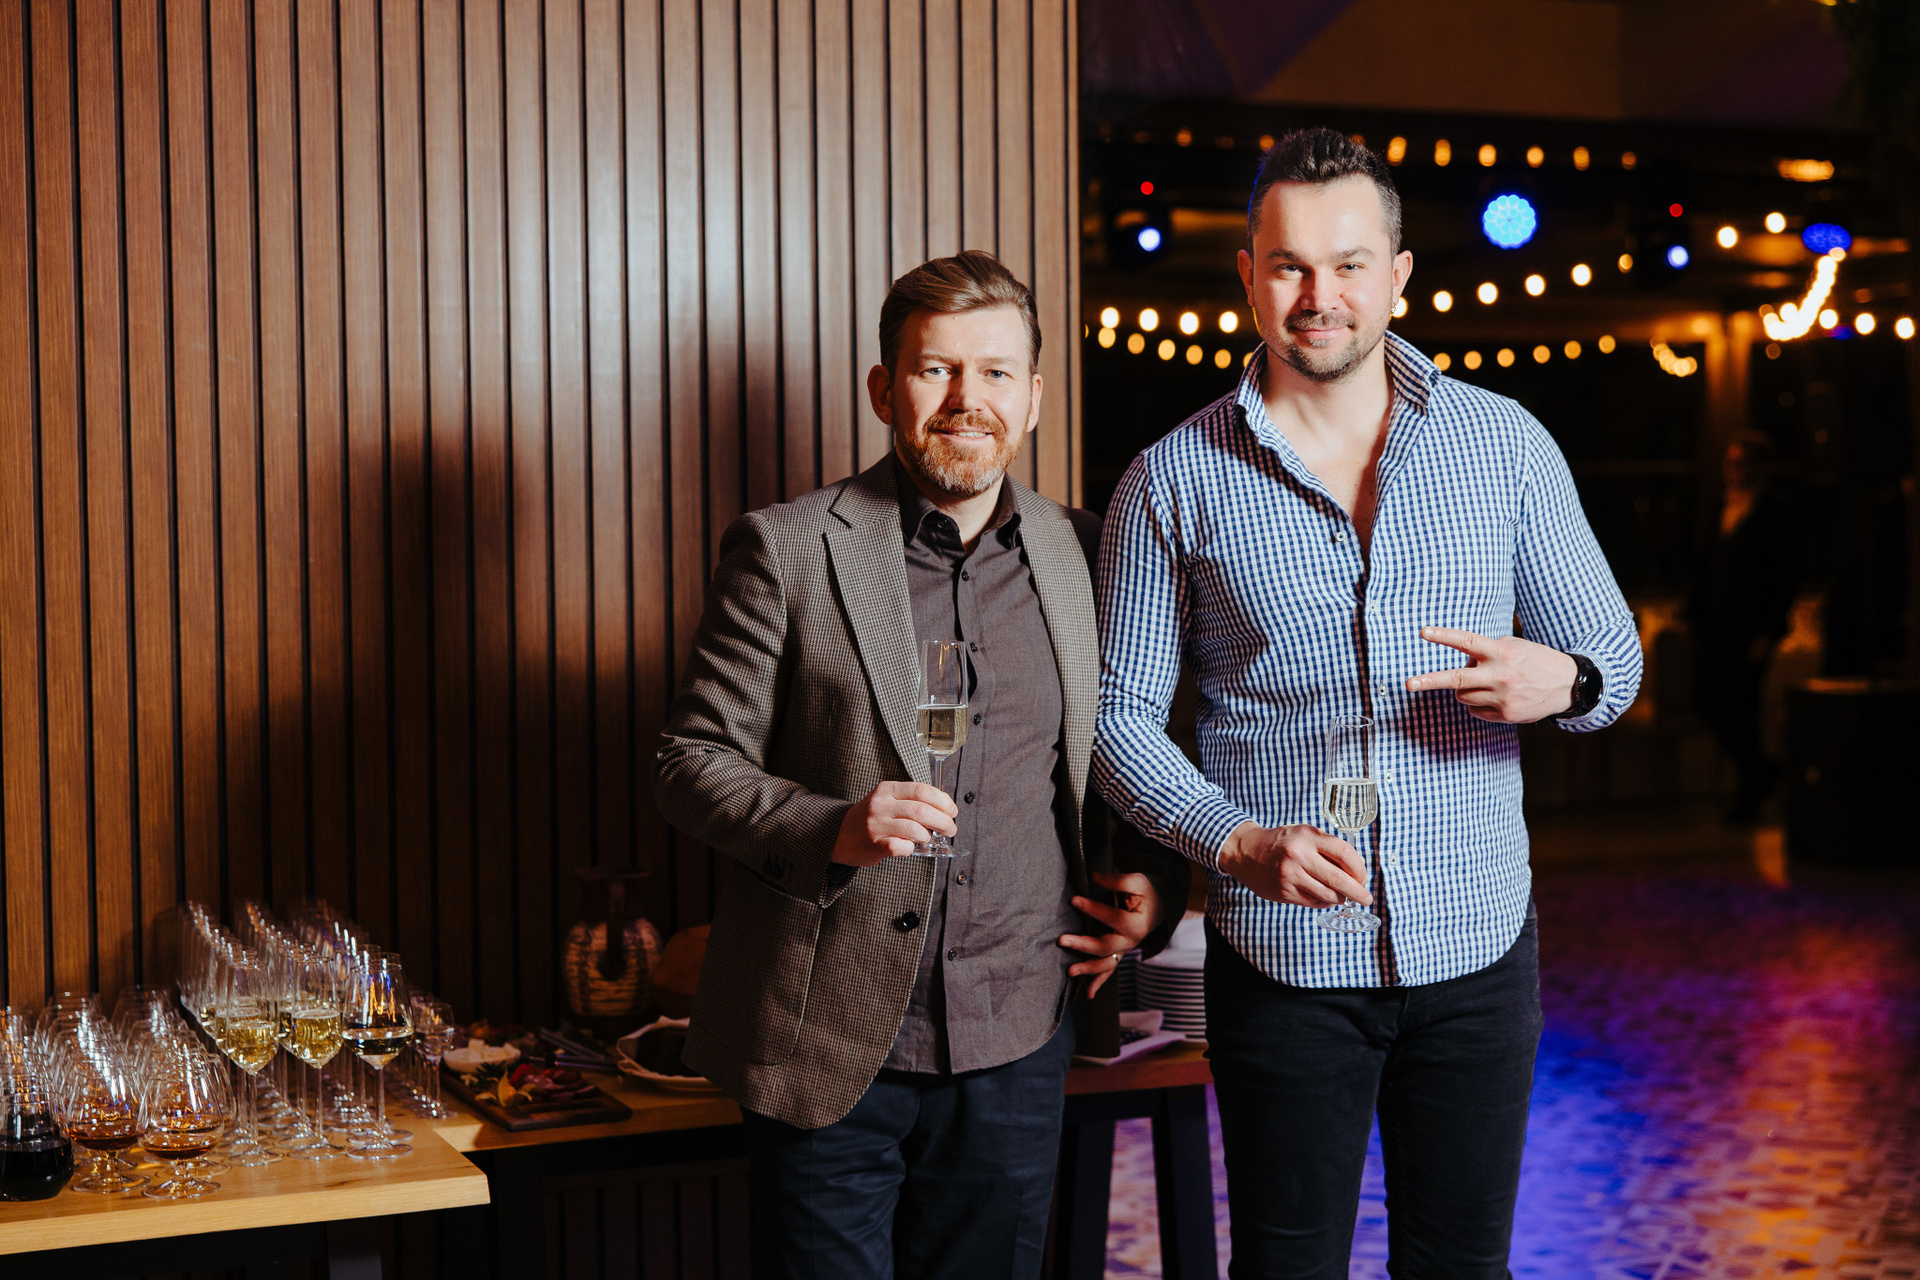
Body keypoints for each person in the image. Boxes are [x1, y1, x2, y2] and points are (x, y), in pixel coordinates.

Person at [1093, 129, 1644, 1278]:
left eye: (1349, 264)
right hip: (1283, 958)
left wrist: (1566, 682)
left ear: (1398, 274)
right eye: (1289, 265)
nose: (1319, 295)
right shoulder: (1172, 478)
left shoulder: (1504, 445)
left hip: (1478, 944)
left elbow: (1613, 658)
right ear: (1248, 275)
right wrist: (1236, 841)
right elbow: (1115, 718)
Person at [655, 250, 1189, 1280]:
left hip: (1018, 1039)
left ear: (1033, 397)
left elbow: (1133, 748)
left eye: (995, 372)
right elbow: (689, 760)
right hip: (826, 1040)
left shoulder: (1090, 552)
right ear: (883, 388)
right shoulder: (786, 548)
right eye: (936, 369)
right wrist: (832, 826)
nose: (965, 399)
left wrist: (1152, 889)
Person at [1686, 432, 1800, 822]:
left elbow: (1784, 576)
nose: (1733, 471)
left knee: (1742, 709)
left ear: (1760, 468)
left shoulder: (1777, 511)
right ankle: (1763, 771)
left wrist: (1769, 631)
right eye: (1729, 463)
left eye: (1741, 463)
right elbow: (1705, 564)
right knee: (1707, 701)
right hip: (1715, 626)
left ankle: (1750, 795)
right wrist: (1691, 615)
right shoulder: (1721, 504)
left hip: (1750, 629)